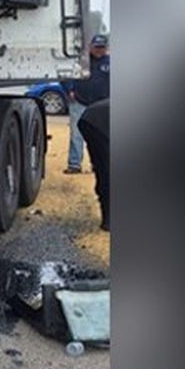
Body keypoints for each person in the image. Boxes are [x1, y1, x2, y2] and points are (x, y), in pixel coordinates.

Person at [65, 33, 110, 173]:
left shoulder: (110, 62)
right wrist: (69, 89)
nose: (99, 50)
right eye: (96, 47)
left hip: (101, 105)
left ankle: (99, 165)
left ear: (106, 48)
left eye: (102, 47)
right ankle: (74, 164)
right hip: (79, 101)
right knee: (76, 134)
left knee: (100, 136)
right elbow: (66, 75)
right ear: (90, 46)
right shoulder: (81, 61)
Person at [78, 98, 109, 230]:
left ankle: (108, 218)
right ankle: (108, 220)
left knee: (103, 170)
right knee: (106, 172)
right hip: (97, 122)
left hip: (91, 118)